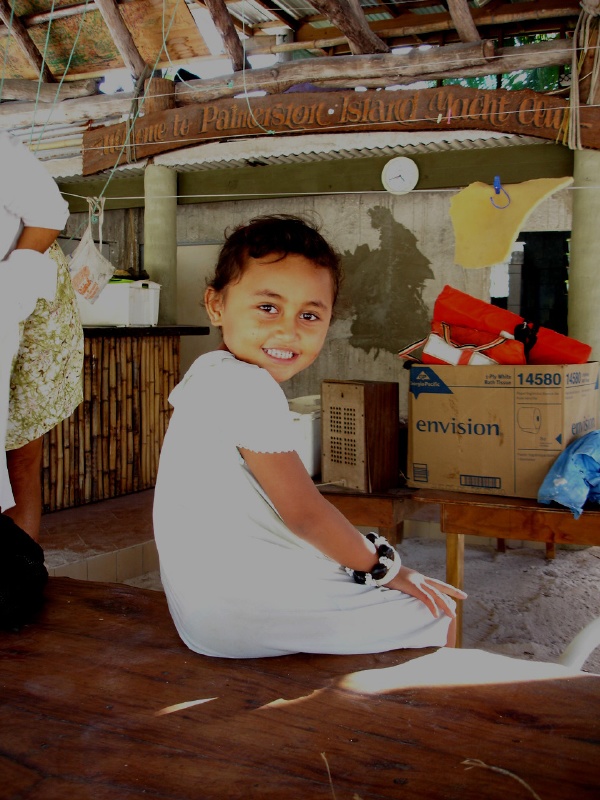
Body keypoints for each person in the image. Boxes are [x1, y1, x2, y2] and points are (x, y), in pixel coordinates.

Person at [153, 215, 466, 658]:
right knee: (438, 612)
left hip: (201, 614)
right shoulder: (249, 387)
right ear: (216, 304)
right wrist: (388, 569)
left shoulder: (207, 373)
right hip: (239, 616)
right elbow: (307, 516)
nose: (288, 330)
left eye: (310, 314)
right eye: (268, 307)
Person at [0, 131, 84, 541]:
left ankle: (17, 573)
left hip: (27, 305)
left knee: (20, 452)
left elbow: (49, 212)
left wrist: (9, 289)